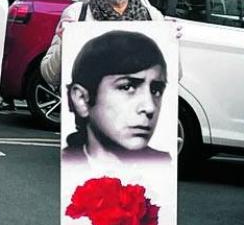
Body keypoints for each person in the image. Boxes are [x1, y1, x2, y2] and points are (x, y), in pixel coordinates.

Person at [41, 0, 167, 86]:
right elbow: (49, 75)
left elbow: (173, 75)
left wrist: (170, 42)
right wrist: (65, 42)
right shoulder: (77, 14)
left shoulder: (152, 16)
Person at [62, 30, 171, 165]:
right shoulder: (69, 165)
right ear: (82, 99)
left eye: (156, 90)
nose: (150, 107)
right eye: (127, 87)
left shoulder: (164, 166)